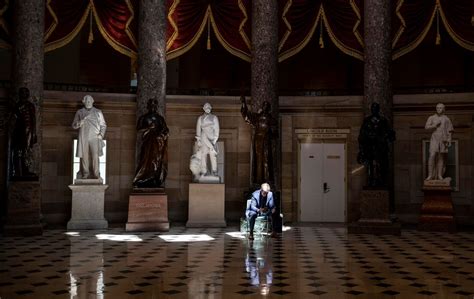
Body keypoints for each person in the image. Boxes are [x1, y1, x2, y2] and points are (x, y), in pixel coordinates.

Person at [357, 102, 396, 187]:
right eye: (372, 108)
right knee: (370, 165)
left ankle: (381, 181)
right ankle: (371, 180)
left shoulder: (383, 120)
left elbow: (390, 133)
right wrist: (361, 149)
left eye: (375, 108)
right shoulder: (367, 120)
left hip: (380, 147)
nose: (374, 110)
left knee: (381, 164)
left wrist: (387, 136)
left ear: (378, 110)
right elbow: (362, 134)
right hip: (370, 146)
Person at [241, 96, 277, 185]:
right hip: (258, 141)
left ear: (268, 109)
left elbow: (275, 133)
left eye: (266, 106)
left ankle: (267, 180)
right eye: (264, 105)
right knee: (258, 160)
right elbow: (246, 115)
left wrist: (271, 135)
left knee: (267, 160)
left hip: (266, 141)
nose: (265, 107)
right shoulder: (257, 117)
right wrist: (243, 103)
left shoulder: (271, 119)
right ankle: (258, 180)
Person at [133, 98, 169, 188]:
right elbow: (138, 130)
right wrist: (149, 128)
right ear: (148, 106)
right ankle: (142, 179)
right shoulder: (143, 118)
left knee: (156, 161)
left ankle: (154, 178)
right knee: (145, 160)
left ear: (156, 107)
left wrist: (163, 134)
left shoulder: (160, 118)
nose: (153, 107)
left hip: (157, 143)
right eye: (151, 105)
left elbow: (165, 130)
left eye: (154, 105)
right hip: (147, 142)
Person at [72, 95, 107, 180]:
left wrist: (101, 134)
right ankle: (85, 173)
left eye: (89, 101)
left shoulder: (98, 112)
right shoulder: (80, 112)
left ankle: (96, 174)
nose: (88, 102)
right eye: (86, 101)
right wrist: (80, 122)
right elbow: (74, 125)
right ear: (84, 102)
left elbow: (103, 125)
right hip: (83, 136)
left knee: (95, 155)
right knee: (84, 156)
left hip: (94, 136)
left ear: (92, 101)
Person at [10, 87, 37, 178]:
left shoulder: (30, 105)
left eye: (25, 93)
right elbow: (13, 119)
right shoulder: (17, 106)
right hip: (19, 132)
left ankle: (26, 171)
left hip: (28, 133)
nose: (24, 94)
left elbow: (33, 121)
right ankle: (17, 172)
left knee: (27, 152)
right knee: (18, 152)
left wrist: (34, 134)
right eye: (22, 93)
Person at [424, 103, 453, 181]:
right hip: (434, 138)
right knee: (432, 155)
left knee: (441, 157)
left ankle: (440, 175)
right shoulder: (432, 117)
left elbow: (450, 130)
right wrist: (435, 125)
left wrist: (449, 139)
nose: (439, 109)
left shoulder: (446, 119)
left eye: (440, 108)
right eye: (437, 108)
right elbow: (426, 127)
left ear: (443, 109)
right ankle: (430, 175)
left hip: (443, 139)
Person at [194, 102, 220, 178]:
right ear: (203, 109)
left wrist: (215, 140)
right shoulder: (200, 118)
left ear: (211, 108)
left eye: (209, 107)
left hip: (212, 139)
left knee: (213, 156)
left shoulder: (214, 117)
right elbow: (198, 130)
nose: (207, 108)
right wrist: (198, 140)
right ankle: (203, 171)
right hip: (203, 138)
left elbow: (217, 129)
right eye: (206, 107)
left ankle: (215, 171)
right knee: (203, 155)